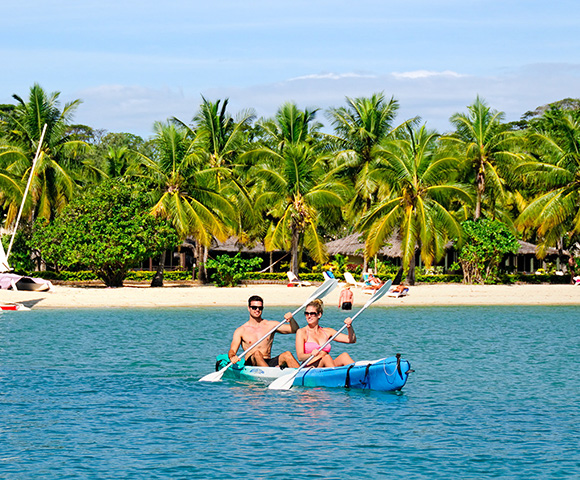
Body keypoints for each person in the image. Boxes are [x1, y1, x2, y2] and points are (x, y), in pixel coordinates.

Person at [228, 295, 300, 368]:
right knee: (257, 353)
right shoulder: (241, 330)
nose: (257, 310)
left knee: (287, 355)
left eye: (260, 308)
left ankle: (303, 375)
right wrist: (232, 357)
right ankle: (270, 374)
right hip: (252, 364)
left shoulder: (270, 325)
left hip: (268, 361)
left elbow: (295, 329)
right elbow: (232, 350)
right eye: (254, 307)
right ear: (249, 308)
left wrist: (291, 319)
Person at [293, 299, 355, 368]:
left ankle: (361, 374)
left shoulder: (327, 331)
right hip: (310, 368)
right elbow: (300, 357)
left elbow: (351, 340)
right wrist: (311, 354)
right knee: (326, 357)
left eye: (312, 313)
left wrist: (349, 327)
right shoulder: (301, 332)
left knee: (344, 356)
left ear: (319, 315)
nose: (309, 316)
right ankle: (336, 376)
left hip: (326, 365)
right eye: (307, 313)